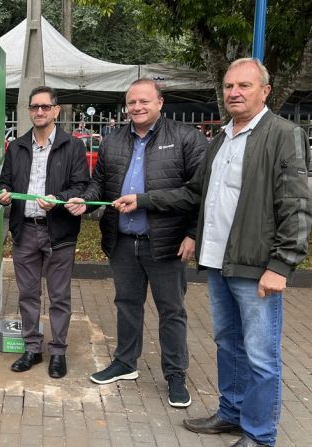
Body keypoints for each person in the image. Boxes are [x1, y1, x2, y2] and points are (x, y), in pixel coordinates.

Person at [114, 58, 311, 447]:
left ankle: (259, 435)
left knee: (260, 355)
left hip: (257, 267)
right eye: (228, 86)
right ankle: (231, 414)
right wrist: (143, 199)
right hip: (220, 262)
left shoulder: (282, 134)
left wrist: (282, 265)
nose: (234, 93)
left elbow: (296, 205)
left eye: (244, 86)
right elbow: (193, 193)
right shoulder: (221, 138)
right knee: (228, 343)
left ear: (265, 91)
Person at [65, 78, 208, 407]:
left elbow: (198, 193)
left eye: (144, 101)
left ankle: (175, 374)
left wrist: (192, 234)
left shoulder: (187, 138)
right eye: (131, 102)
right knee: (127, 306)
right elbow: (99, 183)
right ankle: (125, 363)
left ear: (160, 102)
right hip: (122, 240)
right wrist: (85, 201)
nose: (137, 107)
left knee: (171, 311)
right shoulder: (113, 139)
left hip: (168, 243)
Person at [0, 86, 89, 378]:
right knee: (27, 294)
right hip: (26, 231)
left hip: (59, 232)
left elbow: (80, 186)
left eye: (45, 107)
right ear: (29, 111)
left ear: (56, 111)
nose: (39, 112)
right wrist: (3, 194)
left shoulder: (72, 146)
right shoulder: (18, 146)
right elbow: (6, 181)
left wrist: (58, 200)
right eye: (34, 107)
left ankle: (58, 352)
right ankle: (32, 349)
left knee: (59, 295)